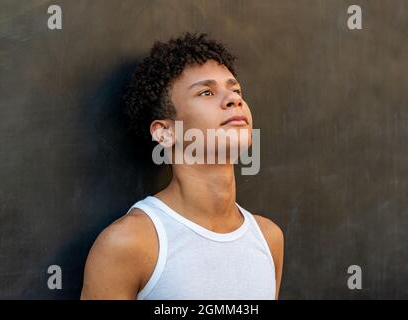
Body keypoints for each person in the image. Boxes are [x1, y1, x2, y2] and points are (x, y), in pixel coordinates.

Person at [80, 32, 284, 300]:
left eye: (235, 90)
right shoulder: (131, 242)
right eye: (206, 92)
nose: (233, 99)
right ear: (165, 133)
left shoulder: (269, 239)